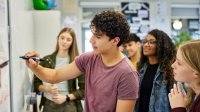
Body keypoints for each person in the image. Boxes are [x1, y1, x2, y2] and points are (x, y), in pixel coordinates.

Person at [24, 10, 139, 112]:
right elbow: (55, 75)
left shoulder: (127, 74)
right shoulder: (88, 59)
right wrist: (34, 66)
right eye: (92, 34)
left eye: (98, 37)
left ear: (115, 41)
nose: (91, 40)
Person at [33, 27, 85, 112]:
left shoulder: (77, 62)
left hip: (69, 105)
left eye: (68, 39)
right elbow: (36, 84)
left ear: (72, 42)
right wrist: (47, 89)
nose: (64, 41)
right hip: (49, 104)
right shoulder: (46, 60)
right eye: (62, 38)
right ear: (58, 38)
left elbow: (84, 89)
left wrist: (65, 98)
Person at [135, 29, 176, 112]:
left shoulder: (169, 71)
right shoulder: (141, 69)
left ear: (161, 45)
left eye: (151, 42)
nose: (146, 45)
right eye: (145, 41)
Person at [168, 40, 200, 112]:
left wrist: (178, 108)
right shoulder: (193, 95)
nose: (172, 65)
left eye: (179, 63)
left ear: (196, 73)